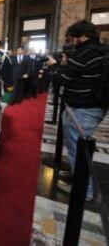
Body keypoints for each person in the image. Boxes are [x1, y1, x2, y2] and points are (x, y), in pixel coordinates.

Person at [47, 20, 108, 201]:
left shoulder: (85, 53)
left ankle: (85, 192)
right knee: (78, 148)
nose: (71, 43)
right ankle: (77, 178)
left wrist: (54, 66)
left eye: (72, 39)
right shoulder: (101, 50)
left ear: (82, 37)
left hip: (83, 108)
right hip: (93, 105)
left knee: (78, 151)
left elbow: (62, 79)